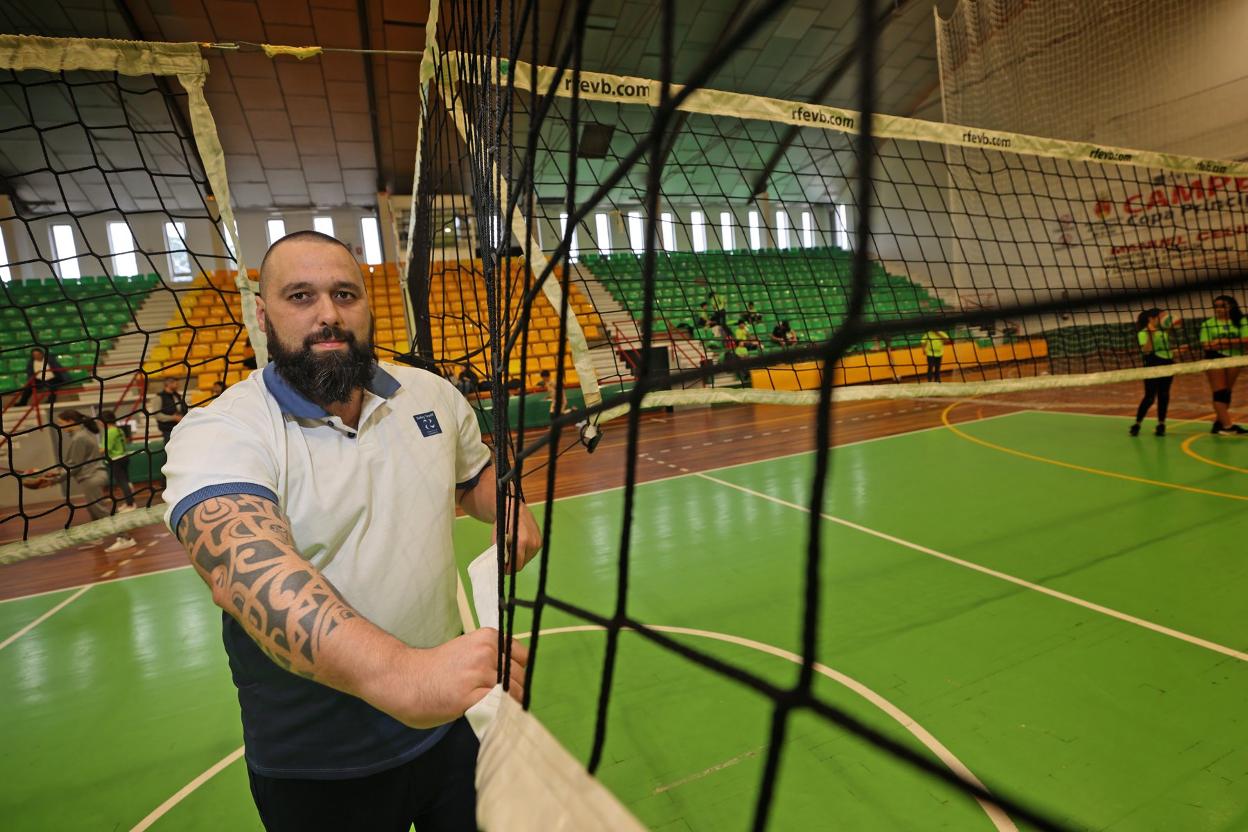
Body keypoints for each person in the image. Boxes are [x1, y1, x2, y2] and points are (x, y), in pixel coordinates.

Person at [161, 230, 541, 831]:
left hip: (448, 724)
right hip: (319, 764)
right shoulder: (224, 430)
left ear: (369, 303)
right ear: (263, 315)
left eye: (344, 294)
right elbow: (245, 566)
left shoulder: (431, 395)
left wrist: (510, 504)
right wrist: (404, 676)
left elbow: (474, 476)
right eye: (300, 296)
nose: (328, 315)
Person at [22, 409, 136, 553]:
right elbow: (74, 464)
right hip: (92, 476)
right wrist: (54, 474)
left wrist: (52, 481)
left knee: (100, 510)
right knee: (93, 510)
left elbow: (74, 466)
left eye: (61, 422)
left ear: (70, 421)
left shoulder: (79, 438)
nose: (59, 425)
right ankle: (97, 535)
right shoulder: (81, 435)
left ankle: (125, 538)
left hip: (91, 478)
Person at [1199, 295, 1248, 434]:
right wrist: (1231, 342)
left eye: (1222, 306)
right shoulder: (1208, 324)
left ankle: (1219, 422)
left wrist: (1223, 342)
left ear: (1231, 306)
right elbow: (1206, 345)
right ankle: (1228, 427)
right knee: (1219, 392)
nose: (1219, 309)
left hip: (1235, 358)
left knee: (1227, 392)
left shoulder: (1241, 321)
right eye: (1216, 306)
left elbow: (1247, 339)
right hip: (1214, 358)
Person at [1128, 309, 1178, 437]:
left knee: (1164, 395)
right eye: (1159, 317)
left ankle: (1161, 424)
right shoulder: (1143, 333)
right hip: (1152, 365)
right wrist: (1151, 334)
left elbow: (1164, 350)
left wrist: (1177, 351)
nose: (1162, 318)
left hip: (1167, 365)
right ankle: (1137, 424)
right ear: (1151, 319)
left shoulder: (1163, 332)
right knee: (1149, 397)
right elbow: (1146, 350)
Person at [98, 409, 136, 511]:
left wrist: (92, 451)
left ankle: (131, 504)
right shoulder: (119, 429)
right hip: (124, 458)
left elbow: (105, 449)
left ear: (103, 421)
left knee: (123, 483)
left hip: (116, 460)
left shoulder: (109, 432)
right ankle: (129, 502)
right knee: (126, 482)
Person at [153, 377, 188, 443]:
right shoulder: (159, 397)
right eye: (176, 384)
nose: (178, 385)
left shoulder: (178, 396)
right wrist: (173, 418)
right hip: (168, 429)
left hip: (181, 427)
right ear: (169, 384)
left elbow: (184, 409)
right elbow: (157, 415)